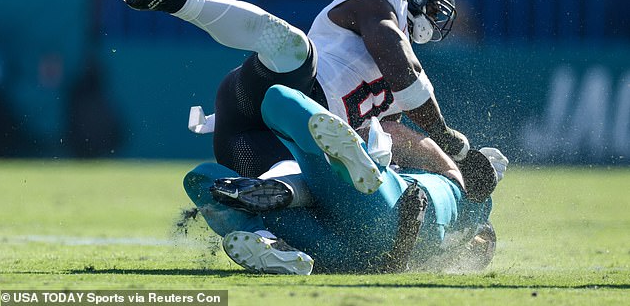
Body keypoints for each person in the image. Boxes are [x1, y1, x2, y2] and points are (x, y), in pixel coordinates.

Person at [123, 0, 497, 203]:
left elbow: (398, 134)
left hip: (255, 141)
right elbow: (394, 56)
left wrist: (457, 167)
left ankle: (262, 228)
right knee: (294, 48)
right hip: (286, 91)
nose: (436, 2)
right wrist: (447, 135)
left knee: (307, 193)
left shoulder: (395, 44)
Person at [182, 83, 507, 274]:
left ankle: (260, 227)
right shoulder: (455, 235)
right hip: (361, 259)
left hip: (387, 208)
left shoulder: (464, 189)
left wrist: (456, 154)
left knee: (276, 99)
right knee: (207, 179)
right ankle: (272, 243)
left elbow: (393, 130)